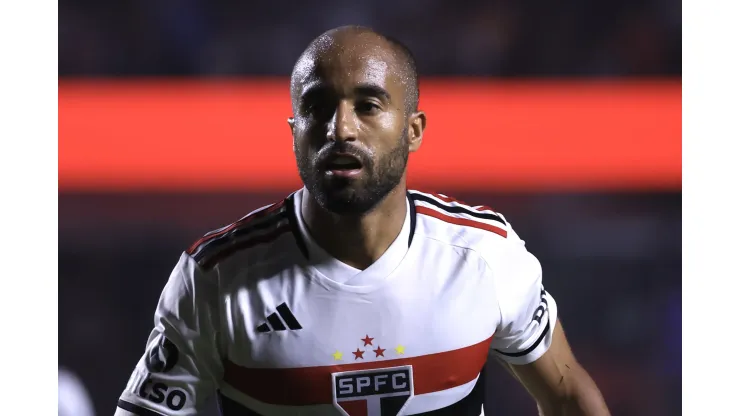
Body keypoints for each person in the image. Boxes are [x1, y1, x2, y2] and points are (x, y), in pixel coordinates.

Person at [114, 26, 610, 416]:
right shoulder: (215, 276)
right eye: (318, 106)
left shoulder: (485, 254)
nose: (340, 127)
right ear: (294, 132)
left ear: (413, 130)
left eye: (368, 106)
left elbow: (566, 394)